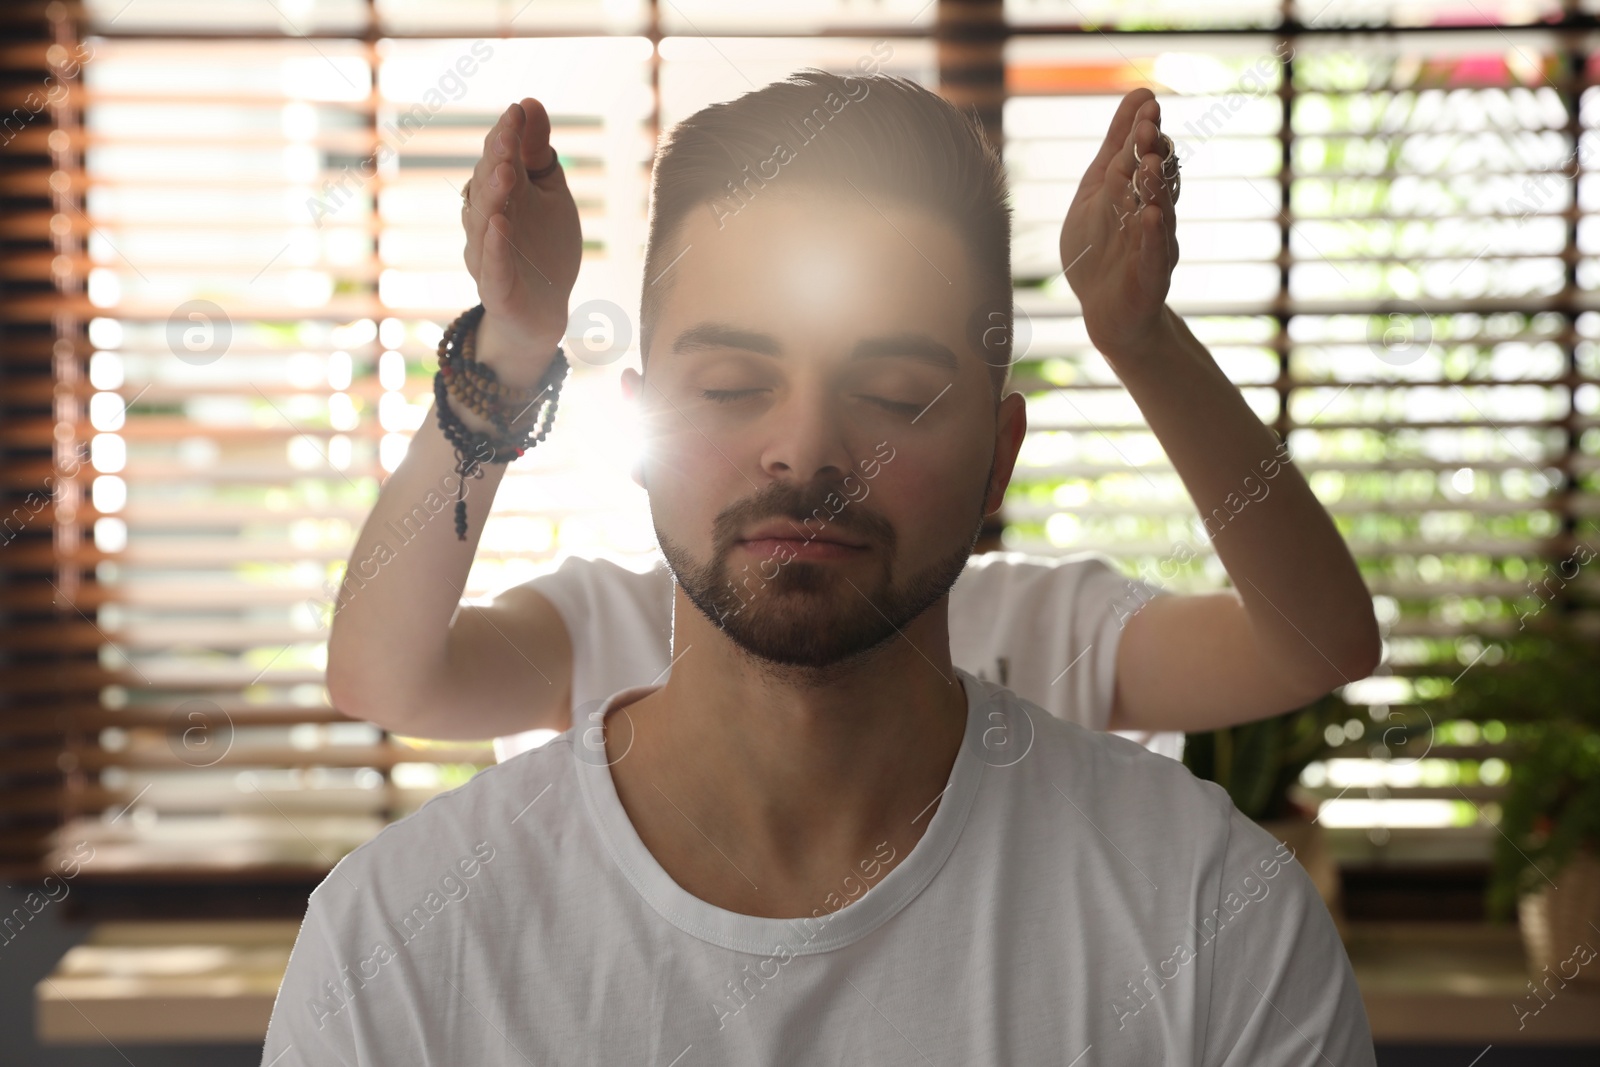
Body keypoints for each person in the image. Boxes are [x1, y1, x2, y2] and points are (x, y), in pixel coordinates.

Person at [266, 72, 1380, 1064]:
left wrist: (1138, 336)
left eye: (895, 395)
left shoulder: (1212, 918)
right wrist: (508, 347)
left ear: (998, 459)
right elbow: (384, 673)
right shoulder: (402, 940)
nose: (809, 452)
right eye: (732, 383)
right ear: (639, 430)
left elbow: (1315, 638)